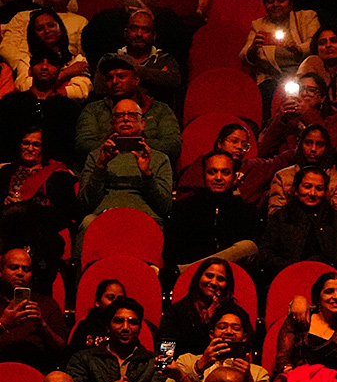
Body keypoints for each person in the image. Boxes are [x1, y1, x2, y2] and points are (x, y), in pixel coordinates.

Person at [76, 96, 174, 254]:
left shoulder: (160, 158)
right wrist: (101, 165)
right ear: (112, 124)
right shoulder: (96, 156)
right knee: (88, 222)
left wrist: (147, 174)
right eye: (120, 115)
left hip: (145, 218)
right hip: (104, 217)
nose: (126, 119)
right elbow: (86, 203)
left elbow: (164, 207)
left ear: (143, 124)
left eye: (133, 115)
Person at [161, 304, 269, 382]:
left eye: (236, 328)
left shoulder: (257, 373)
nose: (228, 332)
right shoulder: (188, 361)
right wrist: (198, 368)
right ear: (212, 334)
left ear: (244, 337)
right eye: (222, 327)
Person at [164, 150, 261, 272]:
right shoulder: (184, 208)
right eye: (212, 172)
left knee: (248, 247)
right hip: (190, 281)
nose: (218, 178)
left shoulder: (247, 211)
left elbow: (250, 256)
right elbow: (172, 252)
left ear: (234, 177)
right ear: (204, 175)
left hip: (232, 277)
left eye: (225, 173)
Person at [74, 53, 181, 164]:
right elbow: (83, 146)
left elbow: (173, 147)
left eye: (121, 76)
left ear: (136, 80)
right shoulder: (94, 110)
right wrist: (122, 142)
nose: (115, 81)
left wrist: (132, 142)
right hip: (105, 172)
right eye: (109, 78)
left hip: (148, 171)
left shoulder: (159, 109)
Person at [259, 166, 337, 280]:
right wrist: (293, 268)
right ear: (296, 190)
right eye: (307, 187)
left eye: (319, 188)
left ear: (325, 192)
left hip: (332, 279)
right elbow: (266, 254)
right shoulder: (281, 217)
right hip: (288, 277)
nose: (312, 193)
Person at [240, 0, 320, 98]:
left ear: (291, 3)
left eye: (281, 0)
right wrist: (253, 48)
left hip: (304, 77)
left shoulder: (307, 17)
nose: (275, 5)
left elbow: (314, 46)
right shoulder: (258, 25)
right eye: (270, 2)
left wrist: (296, 48)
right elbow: (243, 56)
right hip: (273, 81)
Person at [0, 49, 80, 162]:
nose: (44, 67)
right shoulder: (10, 102)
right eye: (39, 62)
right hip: (11, 169)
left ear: (59, 71)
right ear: (29, 71)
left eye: (51, 63)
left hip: (55, 171)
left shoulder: (70, 108)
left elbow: (69, 149)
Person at [274, 272, 337, 379]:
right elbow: (282, 359)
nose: (336, 297)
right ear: (318, 297)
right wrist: (296, 377)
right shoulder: (300, 320)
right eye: (329, 291)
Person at [0, 246, 67, 370]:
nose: (20, 273)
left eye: (26, 269)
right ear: (1, 271)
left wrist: (42, 325)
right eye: (13, 268)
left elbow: (61, 348)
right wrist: (2, 324)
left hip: (37, 371)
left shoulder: (46, 304)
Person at [159, 257, 238, 358]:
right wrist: (205, 324)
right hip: (184, 369)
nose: (213, 282)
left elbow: (246, 344)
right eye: (209, 276)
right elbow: (166, 353)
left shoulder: (234, 313)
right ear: (198, 278)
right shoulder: (176, 312)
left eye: (220, 279)